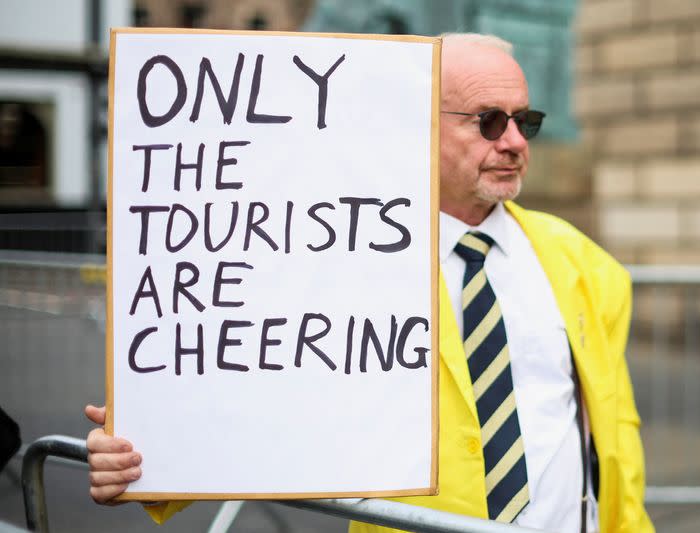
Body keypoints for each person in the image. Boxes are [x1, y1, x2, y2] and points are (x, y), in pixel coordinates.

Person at [86, 33, 653, 532]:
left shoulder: (584, 265)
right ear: (417, 122)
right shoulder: (337, 257)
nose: (515, 143)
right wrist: (152, 458)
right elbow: (265, 393)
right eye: (488, 121)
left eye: (524, 121)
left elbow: (613, 446)